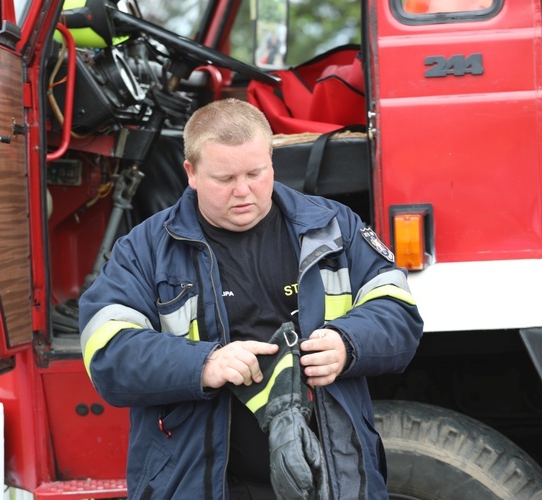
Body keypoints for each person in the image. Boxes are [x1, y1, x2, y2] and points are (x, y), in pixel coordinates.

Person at [79, 98, 423, 499]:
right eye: (224, 179)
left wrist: (348, 344)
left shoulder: (333, 228)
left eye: (255, 173)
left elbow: (398, 313)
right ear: (190, 172)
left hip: (332, 480)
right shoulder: (144, 249)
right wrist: (203, 363)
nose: (243, 191)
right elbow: (107, 351)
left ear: (271, 161)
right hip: (202, 485)